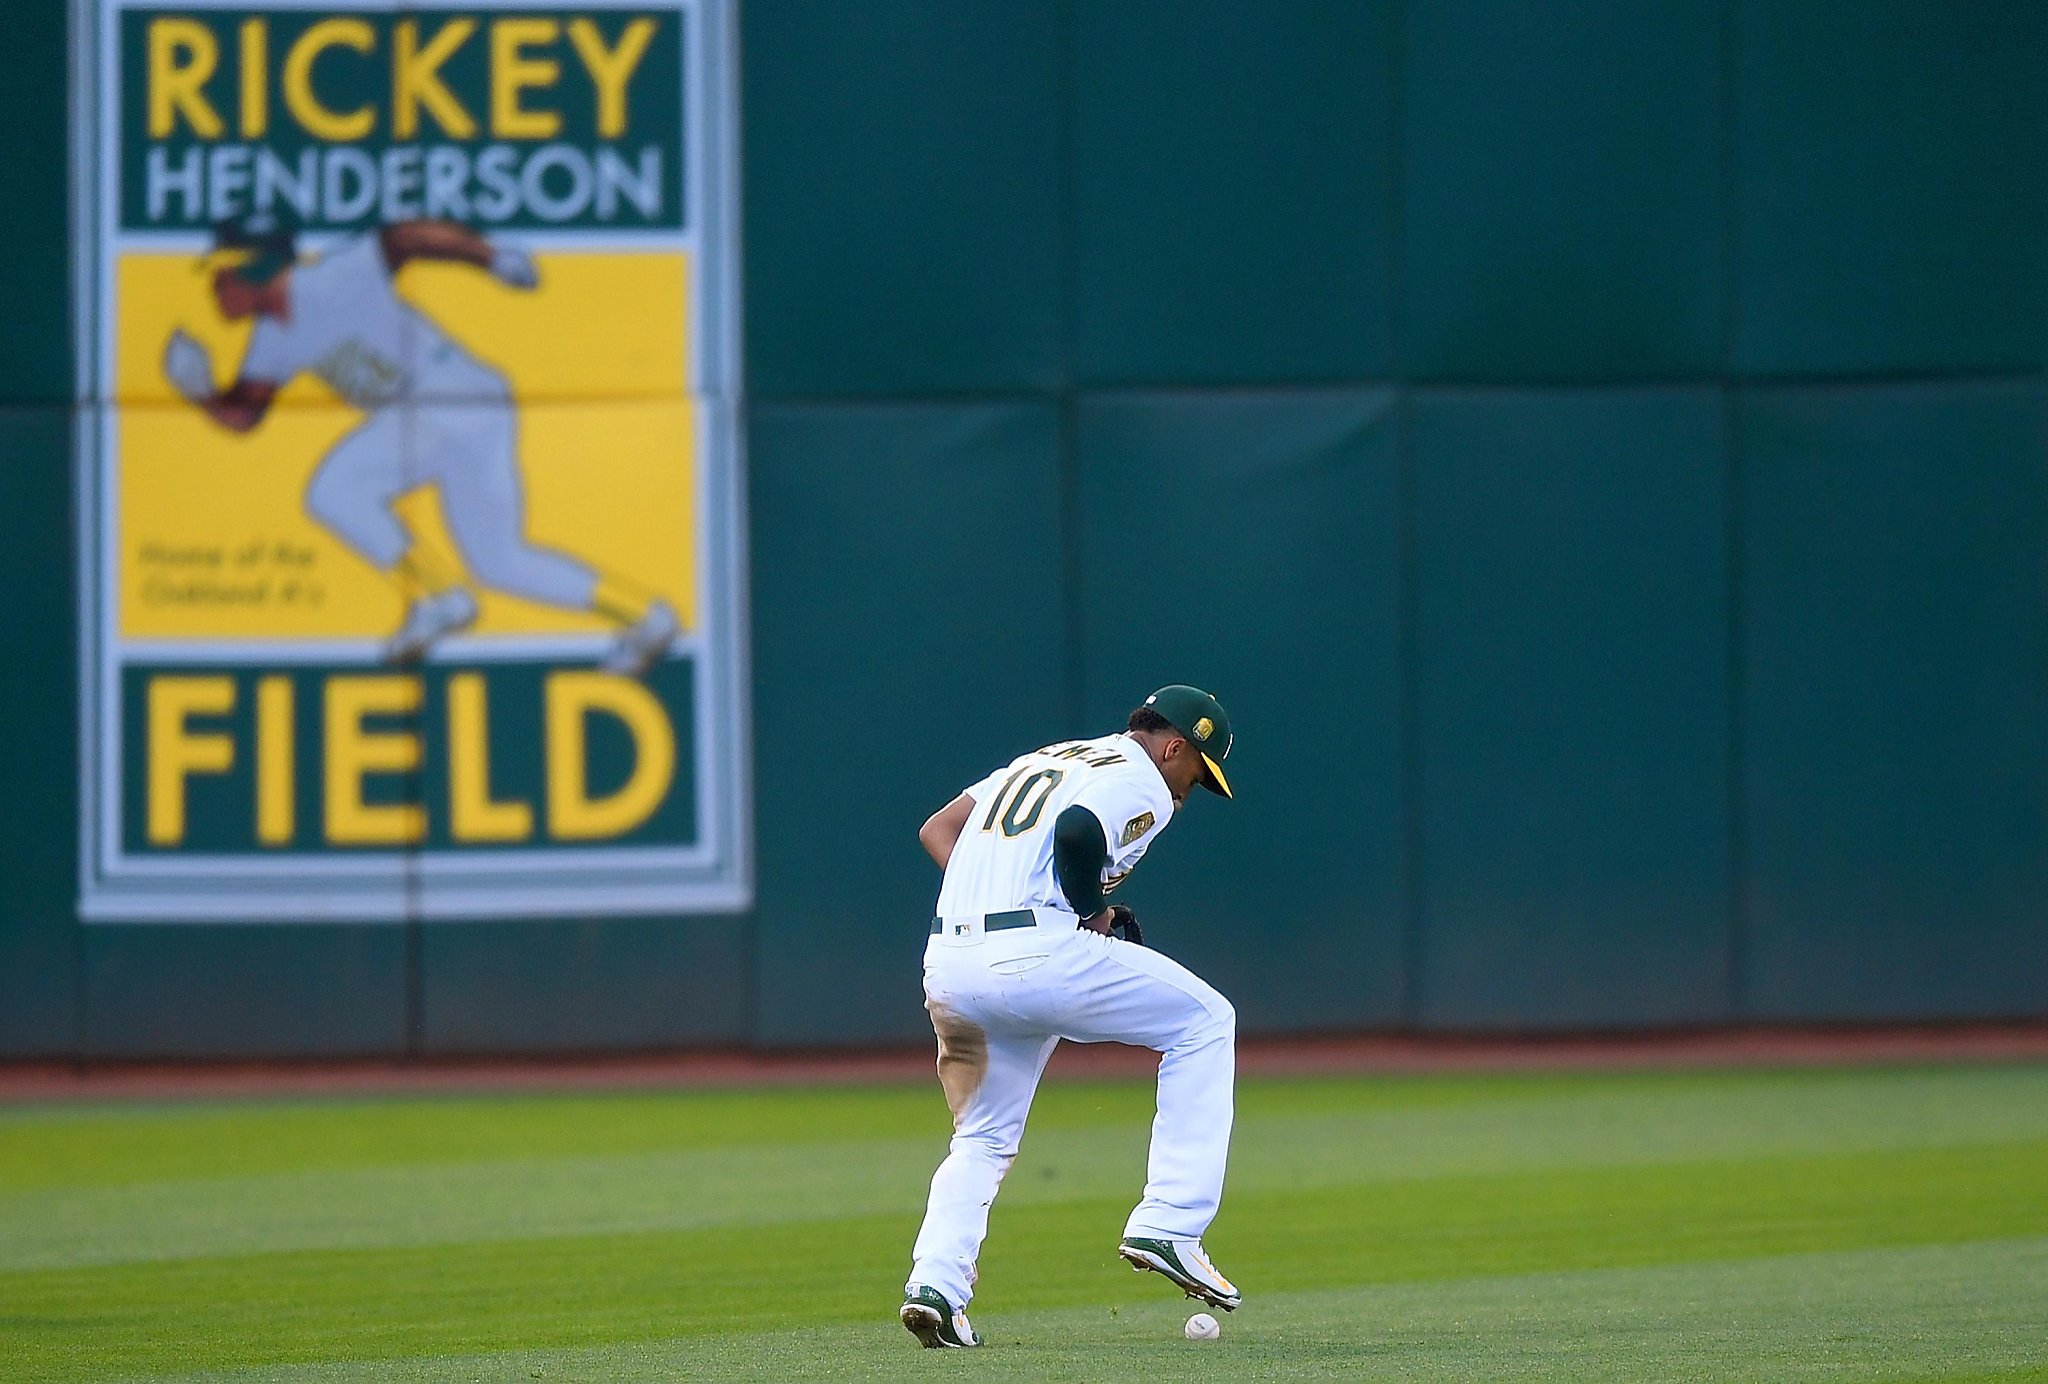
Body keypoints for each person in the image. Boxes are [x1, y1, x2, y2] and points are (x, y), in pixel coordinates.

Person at [159, 210, 678, 675]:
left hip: (447, 394)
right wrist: (201, 394)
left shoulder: (331, 277)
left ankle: (443, 597)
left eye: (221, 270)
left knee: (333, 489)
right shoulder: (270, 339)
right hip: (474, 408)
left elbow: (406, 237)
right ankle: (645, 615)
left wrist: (490, 256)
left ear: (254, 267)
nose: (215, 286)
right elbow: (247, 415)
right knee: (499, 562)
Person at [900, 685, 1241, 1349]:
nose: (1188, 791)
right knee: (1205, 1021)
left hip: (949, 959)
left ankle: (934, 1287)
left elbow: (938, 829)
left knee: (982, 1136)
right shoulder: (1142, 778)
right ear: (1174, 746)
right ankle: (1170, 1222)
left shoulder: (1043, 760)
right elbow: (1079, 831)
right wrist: (1088, 911)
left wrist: (990, 899)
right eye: (1196, 775)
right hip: (1035, 953)